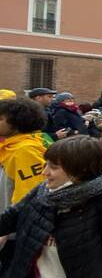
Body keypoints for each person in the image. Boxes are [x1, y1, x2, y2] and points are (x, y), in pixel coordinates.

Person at [0, 135, 102, 277]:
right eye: (46, 164)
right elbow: (11, 217)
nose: (45, 173)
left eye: (54, 167)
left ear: (79, 170)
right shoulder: (43, 190)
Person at [0, 99, 50, 272]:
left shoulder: (24, 150)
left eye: (1, 118)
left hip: (13, 234)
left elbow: (29, 194)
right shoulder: (10, 147)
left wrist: (7, 230)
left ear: (17, 122)